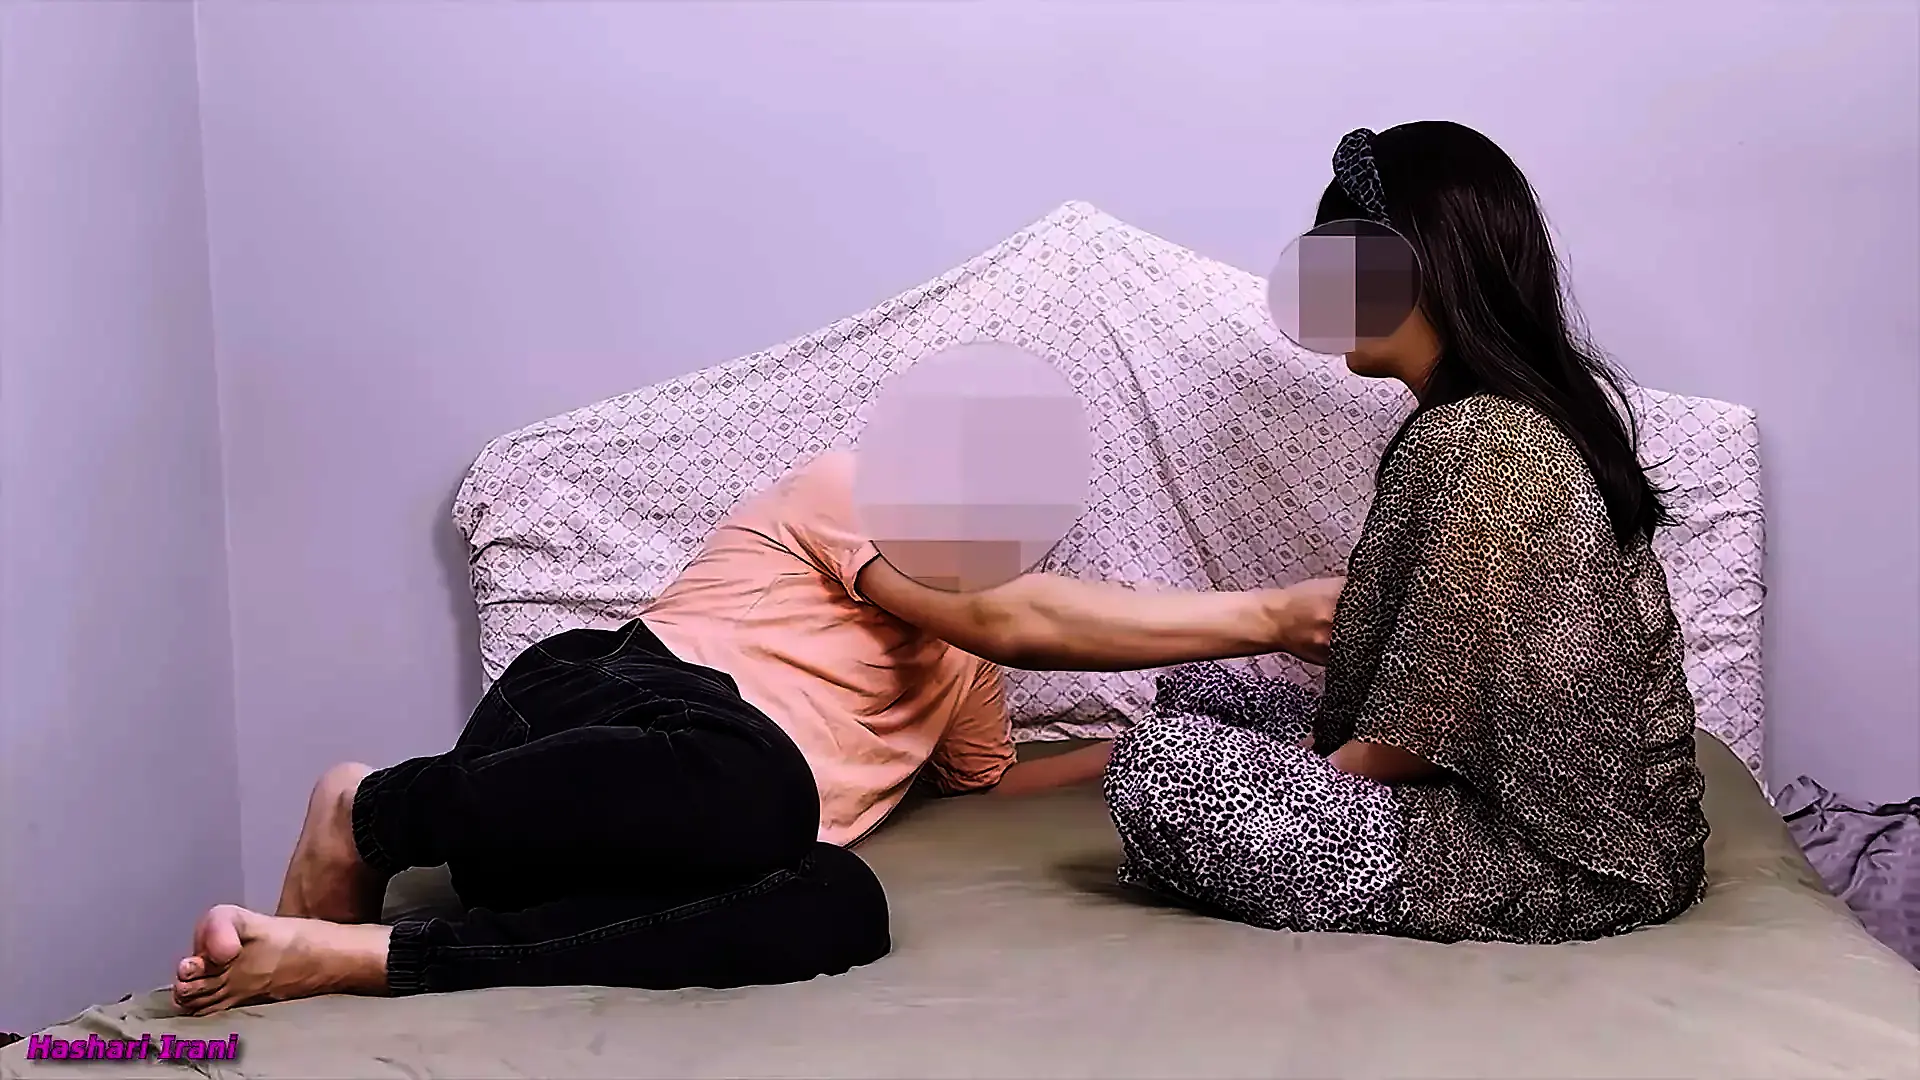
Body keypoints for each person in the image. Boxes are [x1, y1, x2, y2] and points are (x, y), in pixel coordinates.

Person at [170, 450, 1346, 1015]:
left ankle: (379, 958)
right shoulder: (853, 489)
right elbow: (1011, 619)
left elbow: (989, 784)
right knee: (762, 783)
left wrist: (1158, 756)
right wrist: (1273, 615)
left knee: (843, 902)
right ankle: (372, 810)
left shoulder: (970, 669)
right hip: (602, 711)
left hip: (667, 848)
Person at [1103, 121, 1711, 945]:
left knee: (1160, 770)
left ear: (1429, 265)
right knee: (1200, 697)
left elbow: (1414, 734)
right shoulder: (1487, 425)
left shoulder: (1488, 444)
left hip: (1560, 860)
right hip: (1529, 807)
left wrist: (1304, 793)